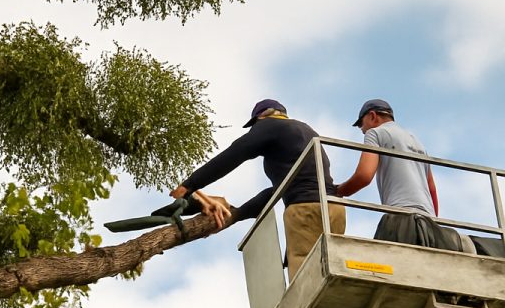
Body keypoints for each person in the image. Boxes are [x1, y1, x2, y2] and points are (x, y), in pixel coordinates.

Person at [171, 98, 345, 279]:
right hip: (334, 210)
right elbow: (274, 193)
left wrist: (189, 185)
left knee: (307, 284)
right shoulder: (305, 132)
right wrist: (235, 215)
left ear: (261, 117)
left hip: (305, 211)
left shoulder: (270, 125)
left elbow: (235, 153)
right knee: (332, 275)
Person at [337, 99, 463, 251]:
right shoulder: (417, 142)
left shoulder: (375, 133)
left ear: (372, 116)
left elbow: (364, 176)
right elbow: (432, 190)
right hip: (431, 225)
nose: (362, 130)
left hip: (400, 218)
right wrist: (433, 222)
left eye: (361, 125)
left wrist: (338, 191)